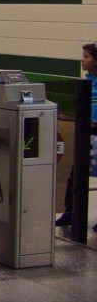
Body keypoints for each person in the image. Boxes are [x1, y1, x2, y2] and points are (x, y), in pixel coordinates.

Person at [55, 42, 97, 228]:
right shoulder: (85, 83)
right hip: (86, 134)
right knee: (76, 174)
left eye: (87, 56)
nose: (83, 60)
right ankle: (70, 212)